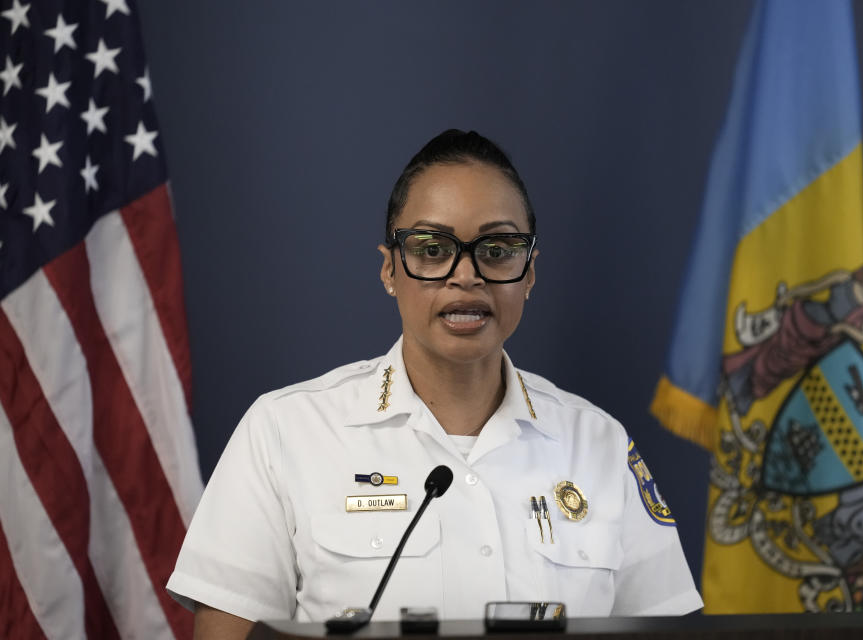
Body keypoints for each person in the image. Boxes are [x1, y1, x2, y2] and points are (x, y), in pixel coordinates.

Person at [166, 130, 703, 638]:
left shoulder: (599, 445)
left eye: (497, 250)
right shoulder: (284, 432)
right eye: (431, 248)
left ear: (531, 271)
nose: (465, 275)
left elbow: (670, 628)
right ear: (389, 270)